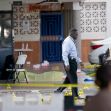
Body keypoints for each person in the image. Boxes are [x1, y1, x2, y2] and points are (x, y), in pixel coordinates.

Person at [55, 28, 84, 98]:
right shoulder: (67, 41)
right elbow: (64, 53)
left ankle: (59, 90)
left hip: (73, 61)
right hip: (69, 62)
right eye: (76, 34)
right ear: (72, 34)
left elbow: (74, 54)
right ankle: (75, 95)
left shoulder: (72, 41)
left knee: (69, 78)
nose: (77, 36)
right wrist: (67, 64)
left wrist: (79, 61)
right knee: (74, 79)